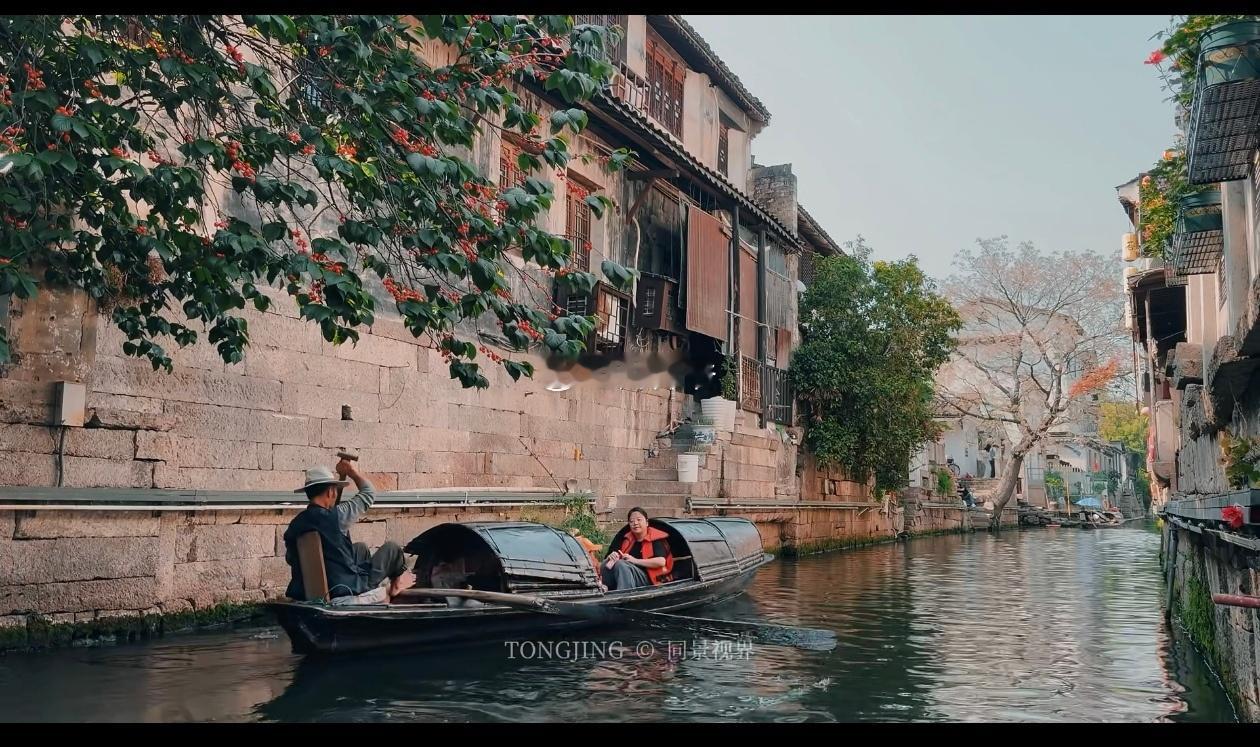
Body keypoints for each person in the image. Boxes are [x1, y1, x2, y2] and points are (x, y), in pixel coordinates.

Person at [283, 458, 415, 603]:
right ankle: (397, 582)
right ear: (331, 492)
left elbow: (290, 559)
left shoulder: (295, 525)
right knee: (392, 549)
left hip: (313, 586)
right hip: (344, 587)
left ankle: (369, 582)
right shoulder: (337, 516)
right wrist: (351, 471)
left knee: (361, 548)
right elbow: (369, 493)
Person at [601, 507, 674, 591]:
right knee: (605, 563)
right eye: (631, 521)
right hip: (627, 574)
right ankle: (605, 588)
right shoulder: (626, 539)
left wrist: (634, 560)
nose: (635, 523)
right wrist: (612, 557)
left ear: (646, 522)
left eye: (639, 520)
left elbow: (661, 562)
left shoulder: (656, 539)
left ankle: (625, 594)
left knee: (621, 564)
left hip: (650, 578)